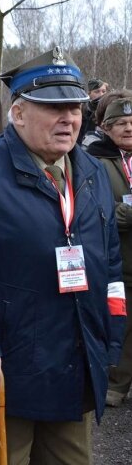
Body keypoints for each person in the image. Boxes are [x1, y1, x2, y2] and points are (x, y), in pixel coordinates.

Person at [0, 47, 126, 464]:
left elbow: (110, 262)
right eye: (54, 107)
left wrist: (112, 332)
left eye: (74, 107)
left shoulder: (90, 171)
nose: (69, 118)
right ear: (18, 113)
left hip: (75, 367)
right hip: (5, 371)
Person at [85, 92, 132, 407]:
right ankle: (115, 384)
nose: (129, 128)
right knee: (122, 325)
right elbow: (94, 211)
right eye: (121, 123)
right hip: (120, 260)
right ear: (106, 127)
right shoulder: (95, 160)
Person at [78, 77, 110, 144]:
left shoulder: (110, 109)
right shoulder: (82, 109)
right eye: (97, 91)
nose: (101, 94)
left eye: (103, 91)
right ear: (89, 93)